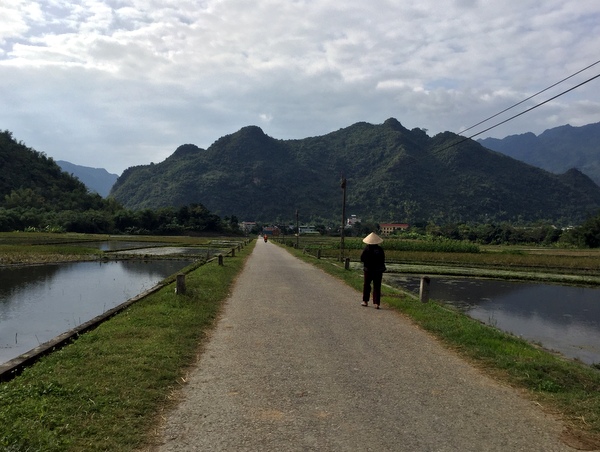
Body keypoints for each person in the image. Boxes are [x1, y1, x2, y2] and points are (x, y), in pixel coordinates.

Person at [360, 232, 386, 309]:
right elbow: (383, 260)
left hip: (368, 270)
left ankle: (365, 301)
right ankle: (376, 303)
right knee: (377, 286)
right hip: (378, 271)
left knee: (366, 285)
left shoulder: (367, 249)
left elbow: (362, 259)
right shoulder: (380, 249)